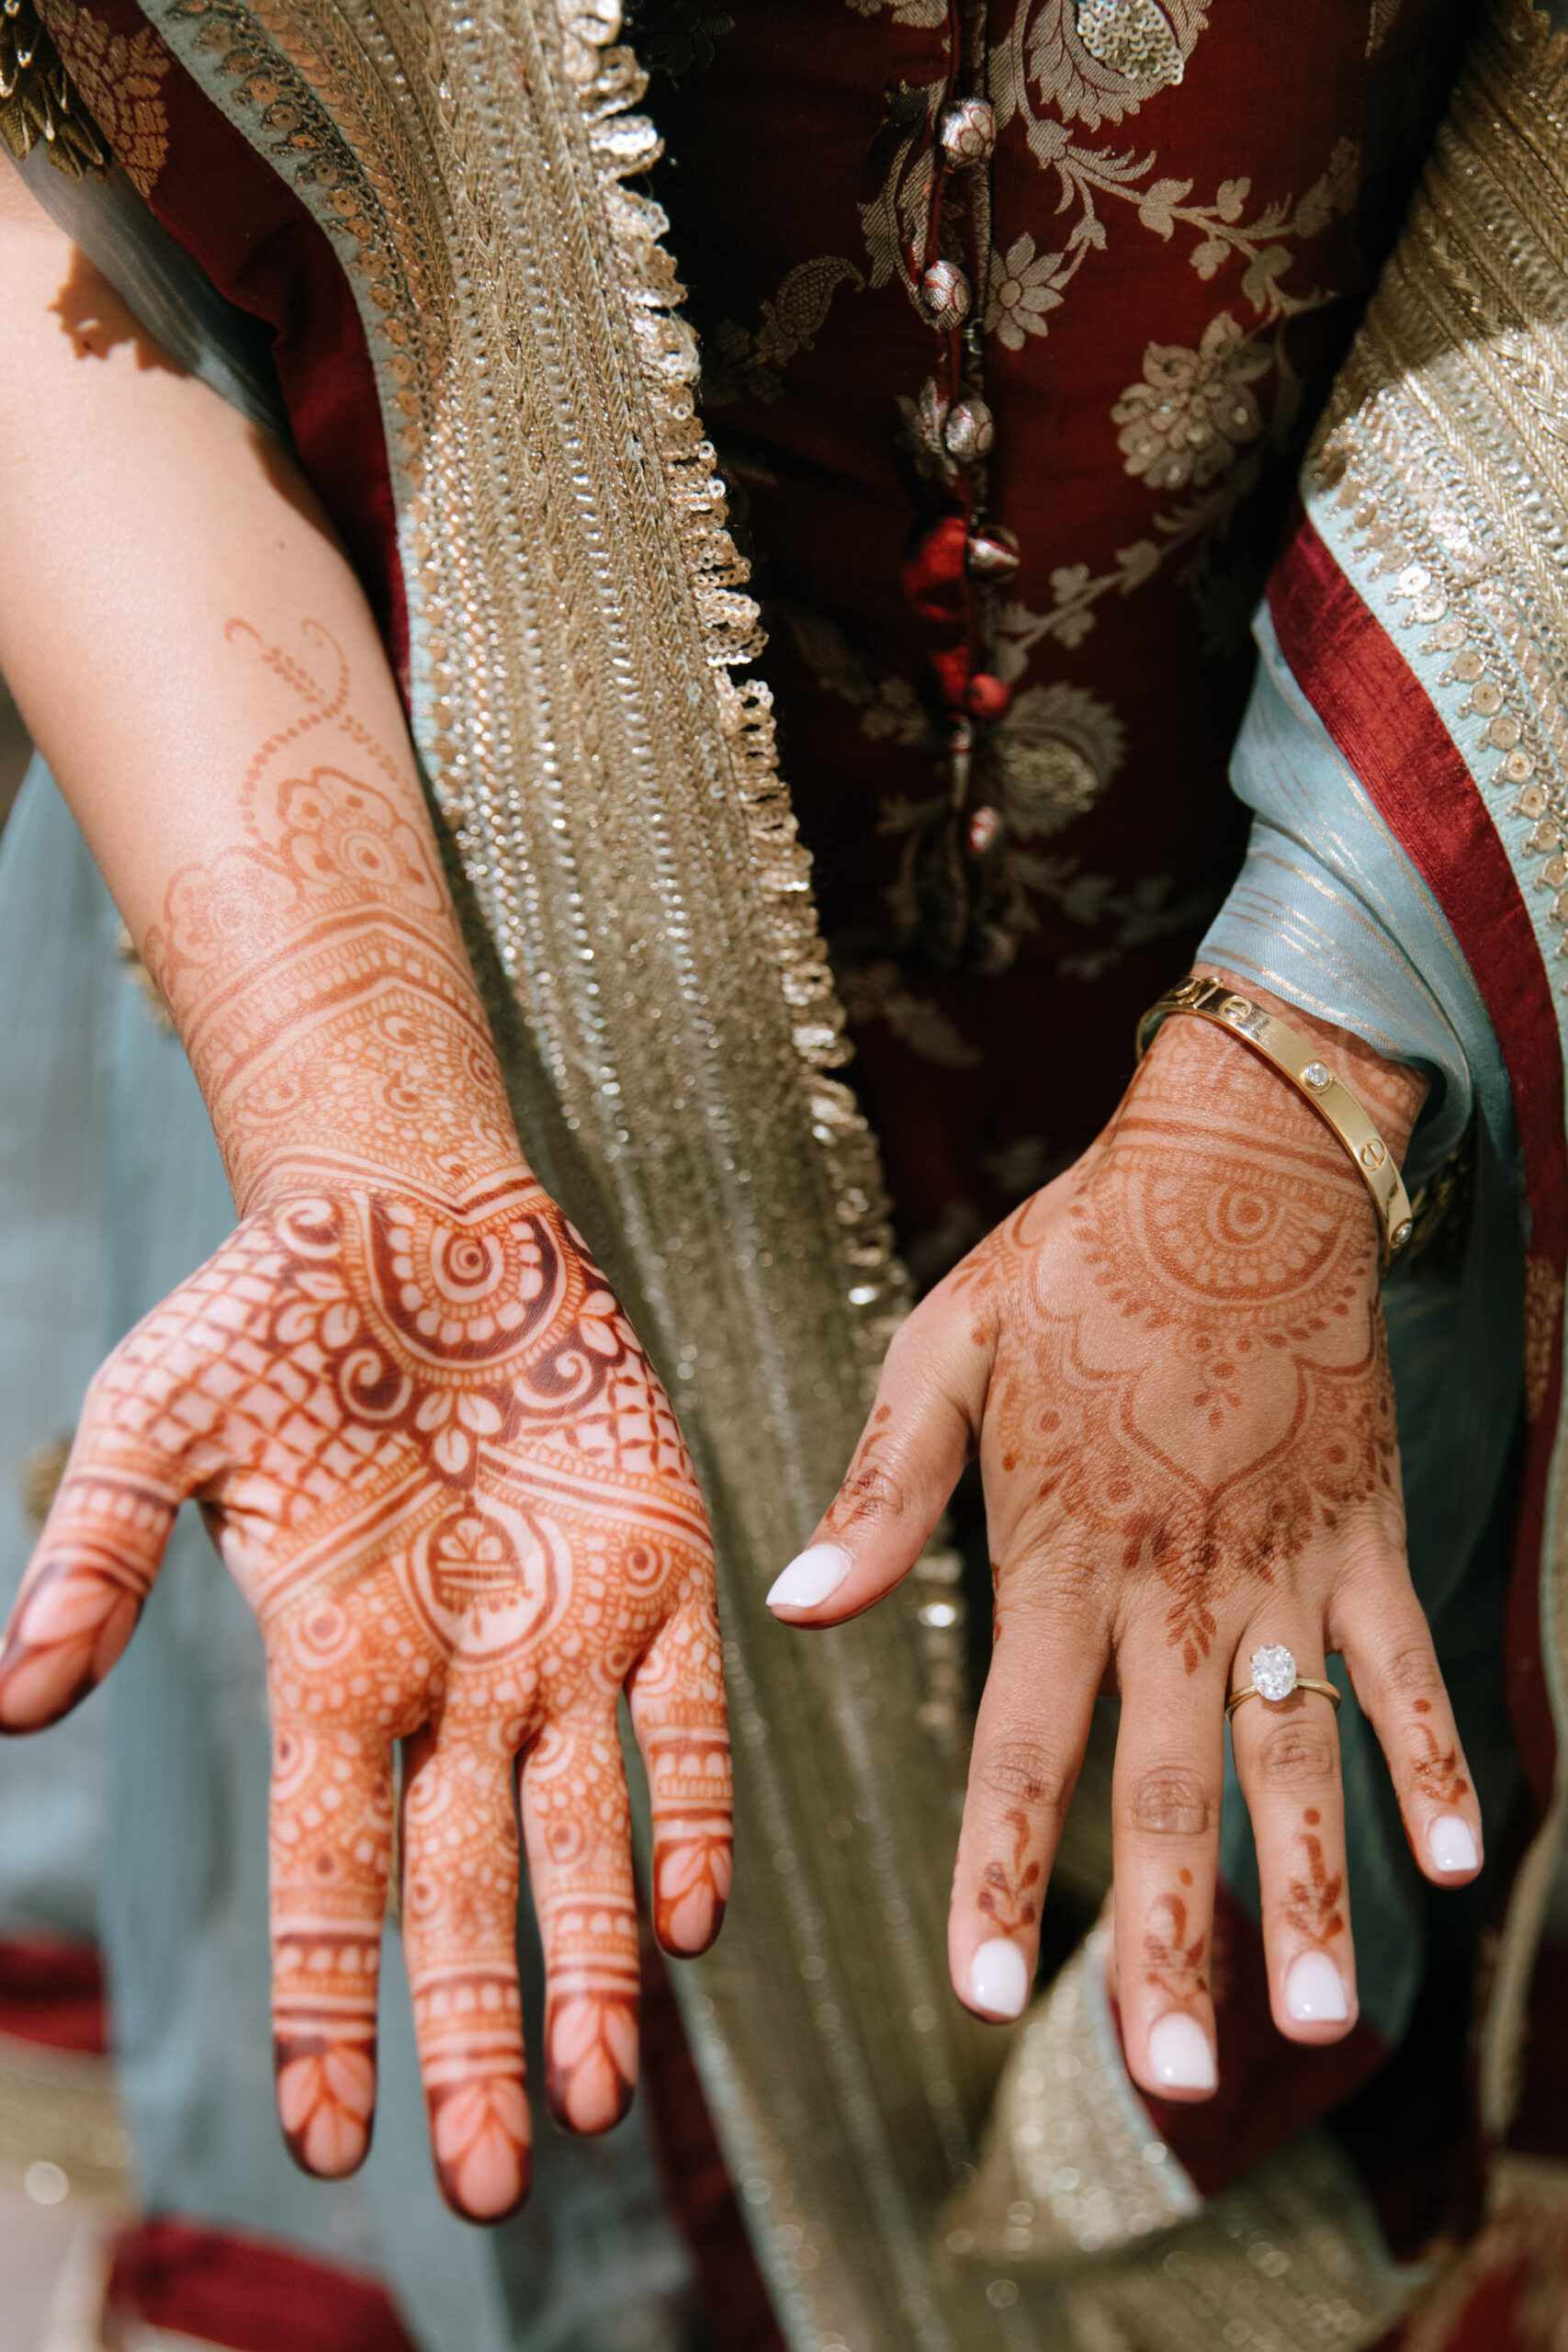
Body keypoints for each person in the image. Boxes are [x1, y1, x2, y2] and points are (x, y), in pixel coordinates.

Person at [0, 2, 1562, 2347]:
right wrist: (359, 1108)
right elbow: (53, 170)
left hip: (1388, 912)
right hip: (417, 935)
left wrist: (1317, 1057)